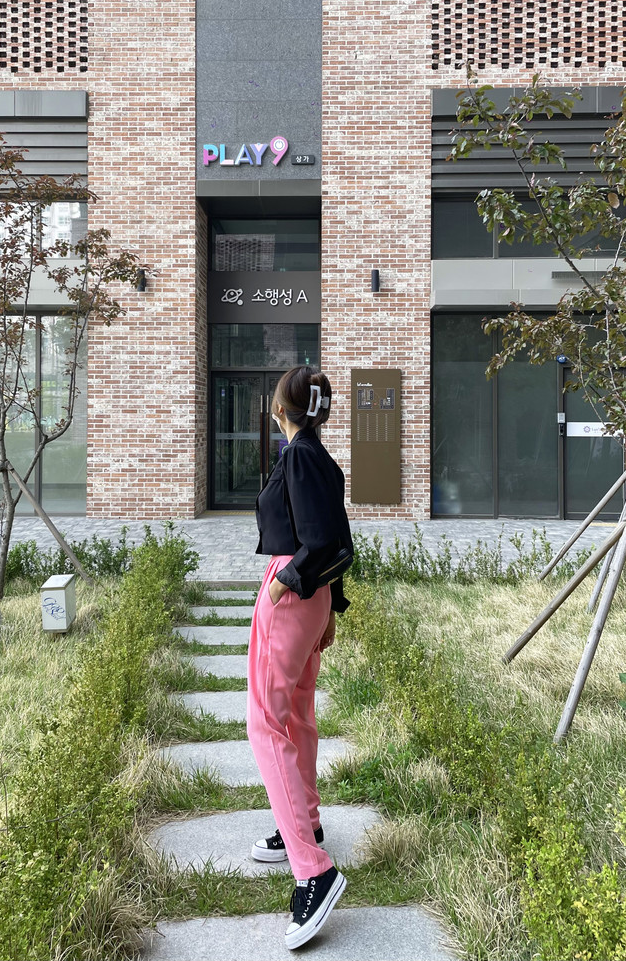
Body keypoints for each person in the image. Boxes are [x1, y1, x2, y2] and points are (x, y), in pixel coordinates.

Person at [247, 364, 353, 951]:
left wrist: (285, 584)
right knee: (296, 715)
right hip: (312, 598)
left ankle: (314, 871)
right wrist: (330, 603)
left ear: (279, 409)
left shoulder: (299, 456)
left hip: (292, 592)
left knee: (266, 723)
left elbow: (324, 540)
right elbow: (330, 531)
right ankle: (302, 824)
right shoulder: (317, 455)